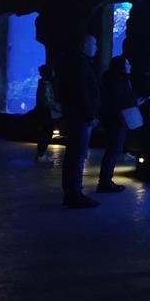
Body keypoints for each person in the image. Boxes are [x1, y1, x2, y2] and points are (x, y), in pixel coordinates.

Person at [58, 34, 101, 208]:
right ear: (84, 45)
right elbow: (81, 93)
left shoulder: (75, 62)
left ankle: (71, 193)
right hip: (81, 118)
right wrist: (90, 115)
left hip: (76, 116)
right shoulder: (80, 64)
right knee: (77, 156)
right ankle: (75, 194)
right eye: (94, 44)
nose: (97, 47)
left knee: (74, 155)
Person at [97, 55, 143, 192]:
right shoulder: (117, 79)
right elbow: (121, 98)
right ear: (121, 65)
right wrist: (135, 101)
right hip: (116, 119)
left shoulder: (111, 77)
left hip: (113, 118)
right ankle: (105, 182)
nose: (130, 66)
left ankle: (105, 180)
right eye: (127, 63)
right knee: (114, 150)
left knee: (113, 149)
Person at [34, 65, 63, 162]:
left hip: (47, 112)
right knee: (46, 133)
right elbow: (47, 100)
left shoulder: (45, 83)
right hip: (47, 113)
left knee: (46, 133)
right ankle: (41, 155)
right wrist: (58, 107)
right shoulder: (46, 84)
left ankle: (41, 154)